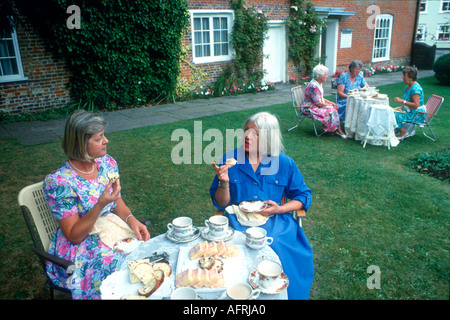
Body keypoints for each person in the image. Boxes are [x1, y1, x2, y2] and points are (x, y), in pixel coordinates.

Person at [43, 110, 150, 299]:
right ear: (81, 144)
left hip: (111, 230)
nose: (106, 141)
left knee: (146, 255)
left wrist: (132, 221)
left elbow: (118, 203)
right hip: (81, 245)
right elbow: (74, 236)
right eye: (99, 138)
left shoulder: (107, 164)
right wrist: (100, 205)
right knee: (121, 267)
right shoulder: (59, 182)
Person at [210, 112, 314, 299]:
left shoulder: (284, 163)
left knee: (277, 245)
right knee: (236, 252)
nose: (247, 137)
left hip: (275, 220)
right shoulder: (230, 159)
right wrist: (224, 182)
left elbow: (303, 196)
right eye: (246, 131)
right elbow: (220, 203)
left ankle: (281, 294)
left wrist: (280, 209)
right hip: (238, 222)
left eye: (256, 134)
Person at [302, 64, 347, 139]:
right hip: (308, 108)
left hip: (314, 105)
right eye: (325, 74)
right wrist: (330, 105)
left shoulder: (318, 84)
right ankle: (337, 130)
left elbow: (320, 98)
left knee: (333, 108)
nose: (327, 76)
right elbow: (318, 103)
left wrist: (331, 103)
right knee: (331, 109)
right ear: (320, 76)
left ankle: (334, 129)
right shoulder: (314, 86)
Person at [393, 66, 425, 140]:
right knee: (392, 111)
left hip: (416, 114)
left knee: (396, 115)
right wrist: (401, 107)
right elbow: (406, 100)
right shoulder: (407, 87)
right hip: (409, 111)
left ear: (411, 78)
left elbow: (416, 105)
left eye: (404, 76)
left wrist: (402, 101)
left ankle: (403, 131)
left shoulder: (415, 89)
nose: (402, 77)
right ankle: (398, 129)